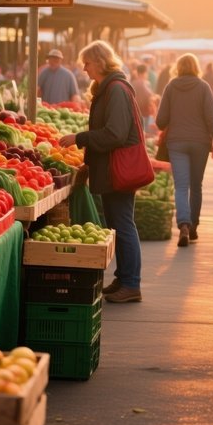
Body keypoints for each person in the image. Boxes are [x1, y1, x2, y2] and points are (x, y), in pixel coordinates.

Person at [58, 41, 142, 304]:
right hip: (110, 168)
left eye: (87, 62)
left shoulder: (116, 90)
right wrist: (89, 161)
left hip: (119, 169)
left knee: (123, 224)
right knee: (118, 223)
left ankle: (131, 284)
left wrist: (79, 137)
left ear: (101, 61)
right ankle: (124, 277)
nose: (84, 68)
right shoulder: (108, 89)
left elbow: (115, 133)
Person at [155, 53, 213, 247]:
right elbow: (212, 117)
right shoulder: (203, 87)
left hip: (176, 143)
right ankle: (193, 227)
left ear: (178, 68)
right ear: (196, 67)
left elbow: (160, 121)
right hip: (200, 143)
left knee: (181, 186)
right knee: (196, 185)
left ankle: (183, 224)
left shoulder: (170, 87)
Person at [130, 63, 157, 133]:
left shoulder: (132, 83)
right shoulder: (146, 83)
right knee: (146, 134)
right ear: (145, 73)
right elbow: (150, 97)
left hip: (135, 113)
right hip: (145, 113)